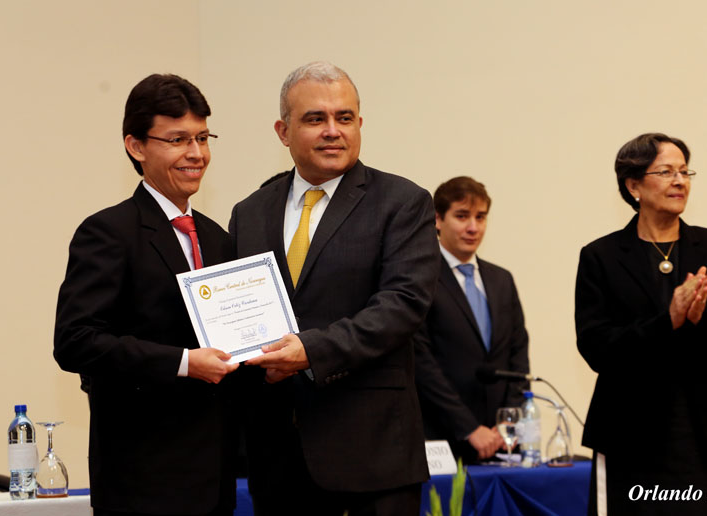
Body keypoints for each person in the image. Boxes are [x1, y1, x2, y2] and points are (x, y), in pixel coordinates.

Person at [229, 62, 439, 516]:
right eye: (315, 119)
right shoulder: (250, 212)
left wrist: (310, 350)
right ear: (283, 132)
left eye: (344, 118)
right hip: (276, 457)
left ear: (359, 124)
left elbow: (402, 306)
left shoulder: (403, 202)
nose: (332, 131)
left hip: (372, 457)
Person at [54, 74, 239, 516]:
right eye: (177, 140)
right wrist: (184, 362)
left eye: (202, 138)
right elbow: (76, 341)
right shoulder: (108, 232)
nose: (196, 153)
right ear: (136, 146)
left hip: (215, 477)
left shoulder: (218, 238)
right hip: (142, 481)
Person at [575, 133, 707, 515]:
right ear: (634, 186)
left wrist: (701, 317)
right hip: (630, 438)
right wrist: (667, 321)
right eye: (666, 172)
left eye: (684, 172)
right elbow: (596, 348)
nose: (679, 181)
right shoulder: (600, 256)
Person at [413, 176, 530, 463]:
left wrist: (509, 423)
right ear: (437, 219)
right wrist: (469, 428)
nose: (473, 227)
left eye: (480, 217)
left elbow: (518, 356)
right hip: (441, 440)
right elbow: (420, 363)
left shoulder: (501, 280)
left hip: (501, 442)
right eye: (462, 216)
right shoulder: (419, 278)